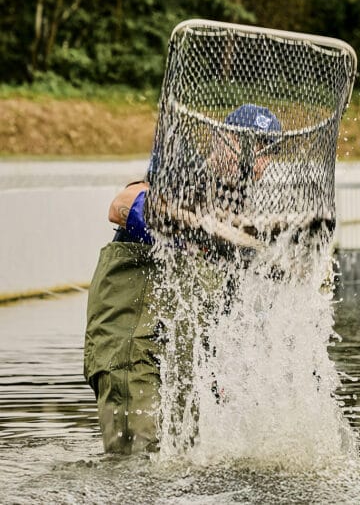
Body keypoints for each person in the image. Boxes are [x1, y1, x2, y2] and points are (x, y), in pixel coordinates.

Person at [83, 103, 282, 453]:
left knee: (184, 460)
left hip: (181, 356)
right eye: (244, 144)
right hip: (133, 342)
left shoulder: (242, 216)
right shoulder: (182, 174)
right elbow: (121, 204)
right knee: (136, 462)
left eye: (267, 151)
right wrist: (192, 227)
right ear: (221, 140)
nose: (253, 159)